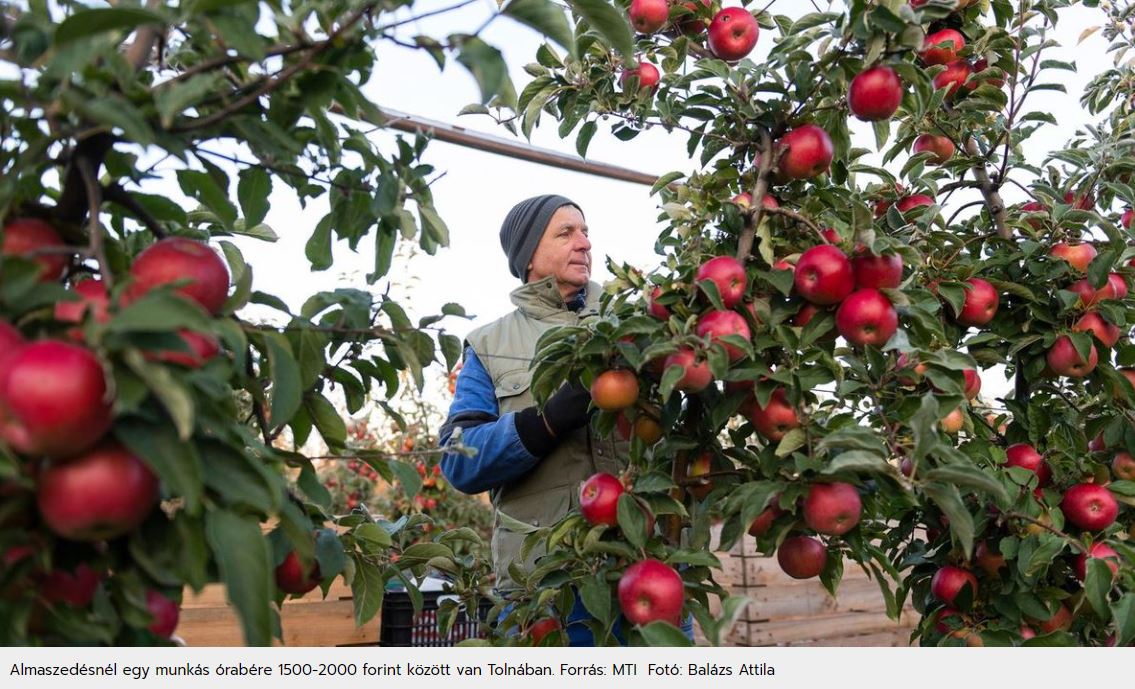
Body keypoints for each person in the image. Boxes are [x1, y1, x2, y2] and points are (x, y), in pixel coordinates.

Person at [438, 195, 631, 645]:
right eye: (566, 233)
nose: (584, 243)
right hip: (546, 587)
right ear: (527, 256)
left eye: (585, 232)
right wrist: (544, 423)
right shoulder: (489, 344)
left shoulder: (628, 322)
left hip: (647, 564)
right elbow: (458, 460)